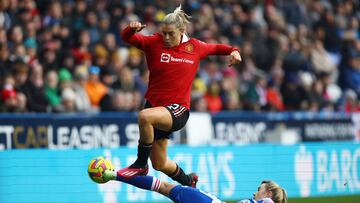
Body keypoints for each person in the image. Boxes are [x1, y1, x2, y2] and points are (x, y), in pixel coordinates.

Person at [118, 5, 242, 188]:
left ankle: (140, 164)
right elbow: (126, 38)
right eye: (164, 33)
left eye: (171, 34)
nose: (166, 38)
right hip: (154, 106)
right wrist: (131, 29)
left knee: (144, 117)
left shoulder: (195, 47)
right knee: (159, 163)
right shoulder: (153, 42)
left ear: (182, 30)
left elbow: (216, 48)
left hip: (178, 110)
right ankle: (188, 181)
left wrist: (234, 50)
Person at [102, 170, 287, 203]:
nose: (255, 192)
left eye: (259, 189)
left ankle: (114, 175)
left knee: (163, 187)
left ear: (268, 193)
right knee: (164, 187)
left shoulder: (266, 202)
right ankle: (115, 175)